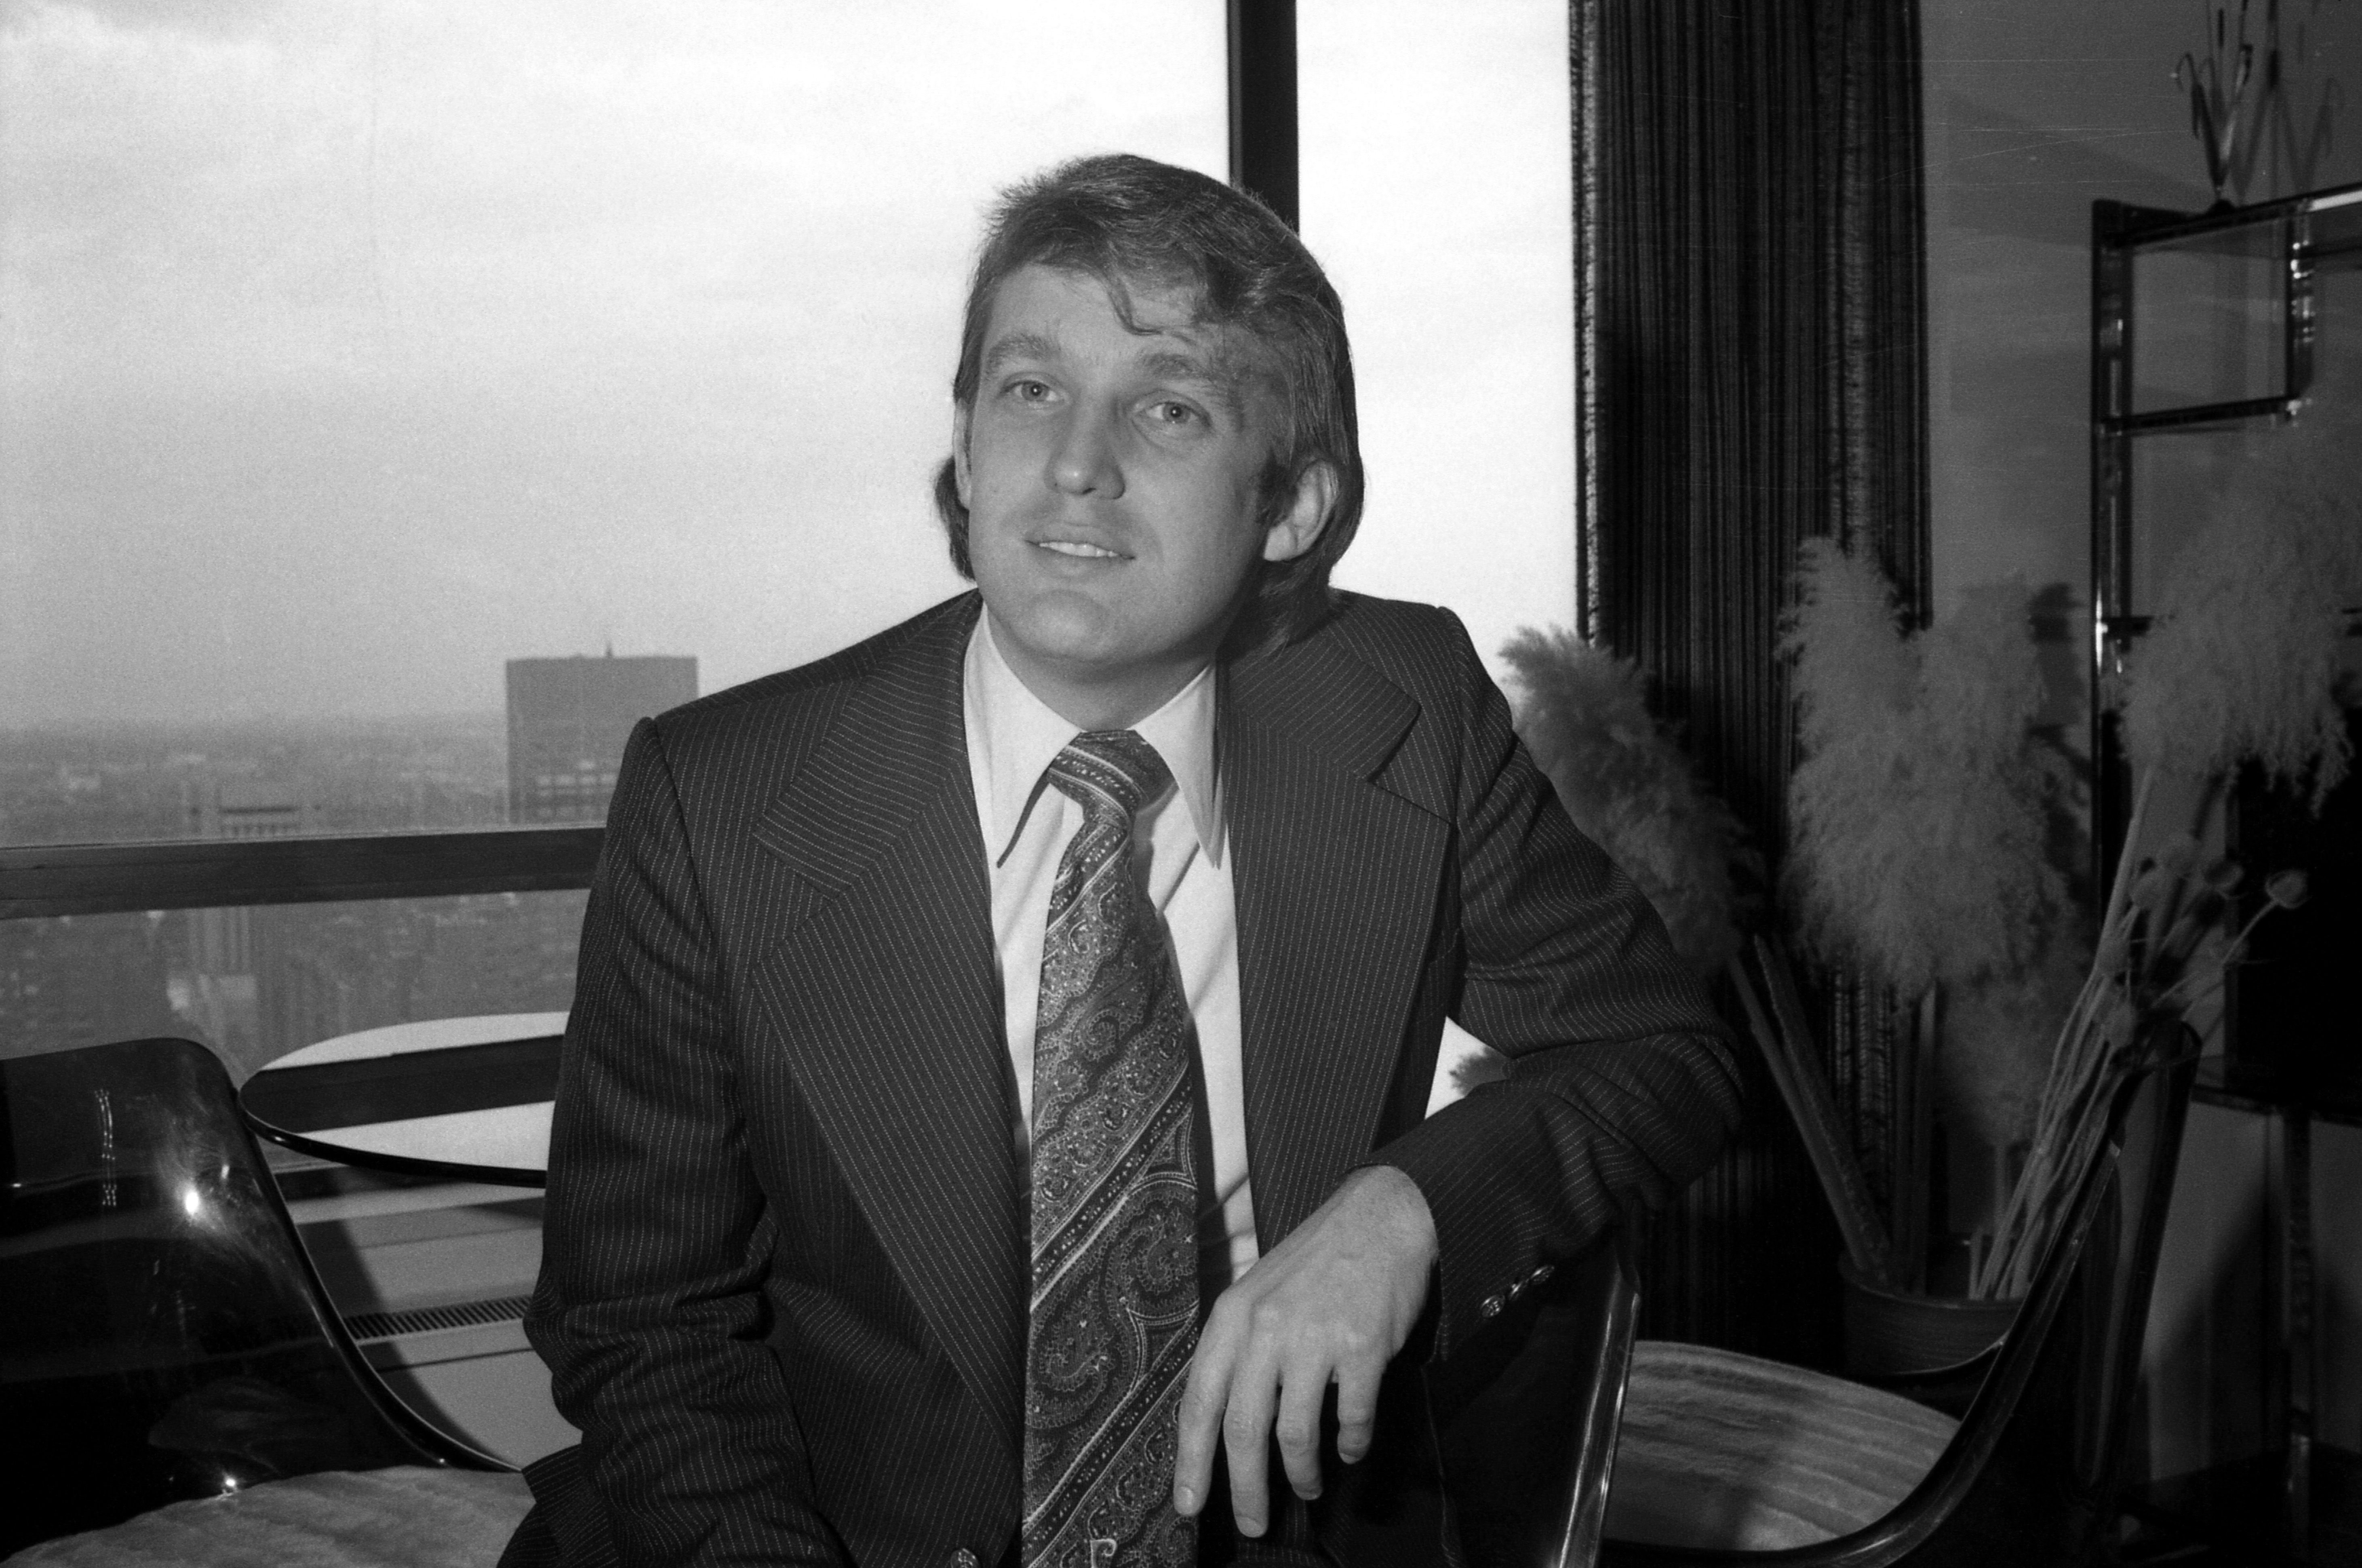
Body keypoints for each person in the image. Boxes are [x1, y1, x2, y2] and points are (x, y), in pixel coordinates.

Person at [510, 153, 1738, 1568]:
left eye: (1167, 405)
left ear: (1290, 506)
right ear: (967, 451)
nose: (1078, 460)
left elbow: (1660, 1053)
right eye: (1030, 389)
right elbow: (638, 1319)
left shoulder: (1409, 713)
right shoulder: (720, 794)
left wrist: (1408, 1212)